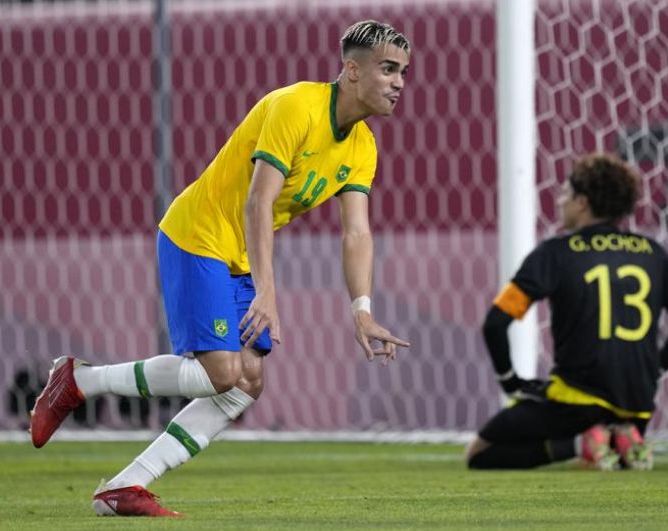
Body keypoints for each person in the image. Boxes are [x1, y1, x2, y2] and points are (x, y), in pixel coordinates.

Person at [30, 20, 412, 517]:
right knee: (222, 371)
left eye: (403, 71)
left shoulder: (362, 147)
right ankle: (81, 380)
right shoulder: (295, 106)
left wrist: (361, 309)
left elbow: (356, 232)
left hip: (236, 255)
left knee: (248, 381)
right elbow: (259, 202)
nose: (400, 82)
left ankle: (124, 487)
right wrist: (267, 291)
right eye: (388, 69)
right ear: (352, 71)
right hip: (198, 234)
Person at [466, 153, 668, 471]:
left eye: (565, 194)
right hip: (637, 405)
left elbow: (496, 323)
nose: (561, 201)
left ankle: (582, 443)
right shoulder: (652, 253)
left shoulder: (556, 252)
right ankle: (622, 439)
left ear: (582, 202)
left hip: (573, 403)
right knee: (616, 441)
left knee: (480, 454)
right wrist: (656, 367)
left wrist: (511, 382)